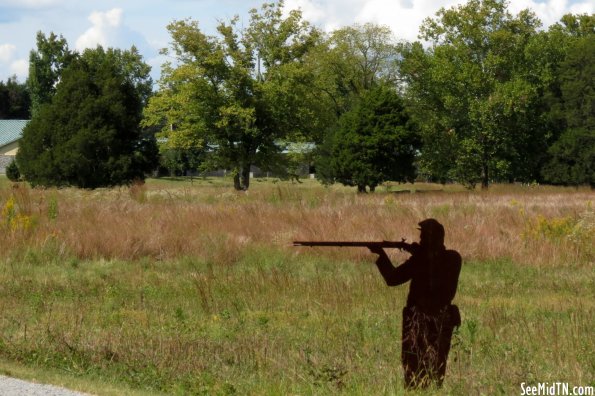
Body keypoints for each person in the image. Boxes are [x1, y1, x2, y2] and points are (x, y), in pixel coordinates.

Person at [368, 218, 461, 389]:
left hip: (435, 320)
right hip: (417, 320)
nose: (421, 240)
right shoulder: (421, 259)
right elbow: (393, 278)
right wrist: (381, 255)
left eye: (425, 237)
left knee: (435, 366)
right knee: (412, 366)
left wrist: (419, 256)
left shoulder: (451, 258)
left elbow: (441, 286)